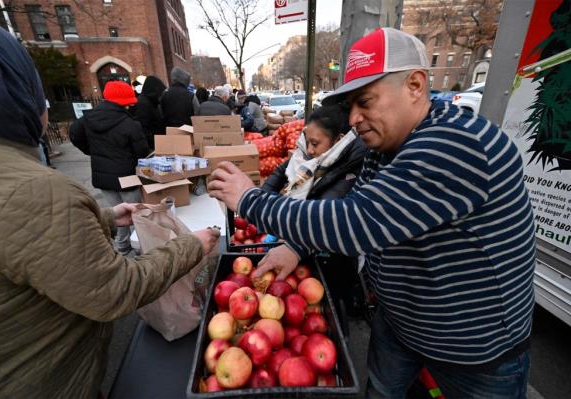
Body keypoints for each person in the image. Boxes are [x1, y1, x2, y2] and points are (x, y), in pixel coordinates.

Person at [208, 27, 535, 398]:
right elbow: (352, 208)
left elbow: (357, 222)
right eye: (350, 106)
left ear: (415, 85)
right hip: (401, 325)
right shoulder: (386, 146)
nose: (353, 118)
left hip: (472, 348)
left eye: (365, 101)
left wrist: (250, 200)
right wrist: (297, 247)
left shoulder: (456, 142)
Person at [0, 13, 219, 399]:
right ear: (17, 93)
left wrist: (100, 218)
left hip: (103, 181)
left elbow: (12, 240)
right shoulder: (39, 190)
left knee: (124, 221)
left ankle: (119, 243)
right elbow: (113, 290)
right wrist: (190, 247)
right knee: (132, 235)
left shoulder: (7, 174)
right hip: (42, 385)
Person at [261, 104, 365, 314]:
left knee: (330, 303)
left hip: (335, 253)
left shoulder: (351, 165)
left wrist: (294, 242)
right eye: (307, 141)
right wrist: (264, 198)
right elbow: (283, 169)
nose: (308, 150)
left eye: (315, 144)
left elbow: (326, 208)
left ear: (339, 140)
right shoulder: (311, 155)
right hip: (305, 242)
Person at [69, 80, 150, 255]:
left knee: (116, 215)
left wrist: (92, 152)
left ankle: (122, 247)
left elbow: (74, 135)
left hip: (103, 178)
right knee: (135, 216)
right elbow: (142, 152)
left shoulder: (87, 118)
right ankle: (140, 250)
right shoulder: (130, 123)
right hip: (127, 178)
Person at [134, 75, 166, 150]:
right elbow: (143, 128)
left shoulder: (152, 102)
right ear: (154, 91)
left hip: (157, 142)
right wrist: (154, 142)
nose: (160, 96)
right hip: (152, 145)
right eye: (159, 93)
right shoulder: (143, 103)